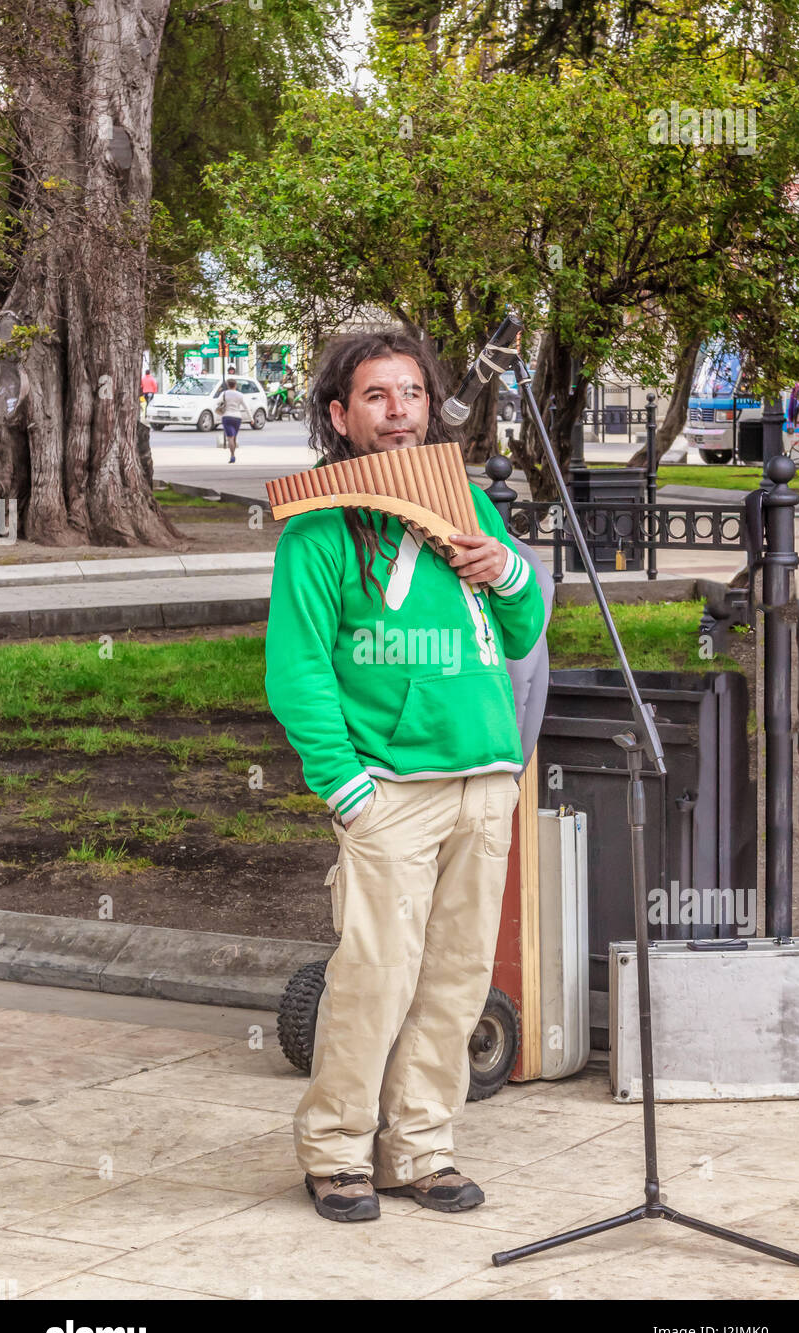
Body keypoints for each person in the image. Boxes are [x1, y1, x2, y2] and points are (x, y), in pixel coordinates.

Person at [264, 330, 545, 1224]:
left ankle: (420, 1147)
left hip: (485, 777)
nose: (400, 412)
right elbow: (298, 671)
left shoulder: (466, 501)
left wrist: (504, 571)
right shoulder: (317, 531)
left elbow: (523, 629)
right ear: (341, 417)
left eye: (413, 394)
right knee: (373, 975)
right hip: (389, 788)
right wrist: (345, 785)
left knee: (457, 978)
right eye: (377, 397)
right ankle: (338, 1153)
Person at [215, 375, 250, 461]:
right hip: (237, 417)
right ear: (235, 385)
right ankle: (233, 454)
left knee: (230, 437)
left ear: (227, 385)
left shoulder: (224, 394)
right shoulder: (240, 395)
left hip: (227, 416)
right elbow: (246, 407)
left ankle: (232, 455)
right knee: (234, 437)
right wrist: (251, 418)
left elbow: (218, 402)